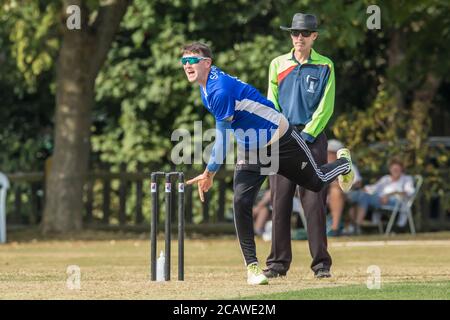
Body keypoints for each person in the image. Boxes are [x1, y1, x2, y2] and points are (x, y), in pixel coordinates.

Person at [180, 42, 354, 285]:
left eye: (192, 61)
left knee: (316, 183)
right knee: (241, 200)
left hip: (280, 138)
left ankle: (343, 164)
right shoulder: (205, 86)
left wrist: (209, 171)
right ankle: (252, 267)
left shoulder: (218, 90)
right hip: (252, 147)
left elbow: (222, 137)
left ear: (207, 63)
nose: (187, 66)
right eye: (184, 62)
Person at [264, 12, 337, 279]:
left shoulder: (326, 65)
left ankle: (321, 265)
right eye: (295, 33)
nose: (299, 38)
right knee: (279, 201)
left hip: (312, 138)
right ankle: (277, 264)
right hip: (282, 138)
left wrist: (306, 135)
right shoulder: (277, 63)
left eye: (304, 34)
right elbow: (271, 102)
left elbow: (326, 107)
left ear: (314, 36)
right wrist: (280, 132)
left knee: (313, 202)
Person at [347, 157, 415, 234]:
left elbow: (409, 192)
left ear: (401, 169)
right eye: (393, 169)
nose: (395, 171)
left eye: (397, 169)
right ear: (390, 169)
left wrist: (389, 195)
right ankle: (354, 226)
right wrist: (364, 189)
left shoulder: (406, 179)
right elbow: (374, 187)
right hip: (380, 199)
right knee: (359, 196)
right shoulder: (386, 179)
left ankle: (356, 226)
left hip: (396, 202)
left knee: (363, 197)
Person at [326, 139, 362, 237]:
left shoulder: (348, 165)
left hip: (343, 195)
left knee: (335, 191)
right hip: (321, 194)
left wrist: (337, 184)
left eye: (333, 152)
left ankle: (335, 228)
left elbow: (357, 183)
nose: (330, 155)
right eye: (329, 152)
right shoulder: (320, 164)